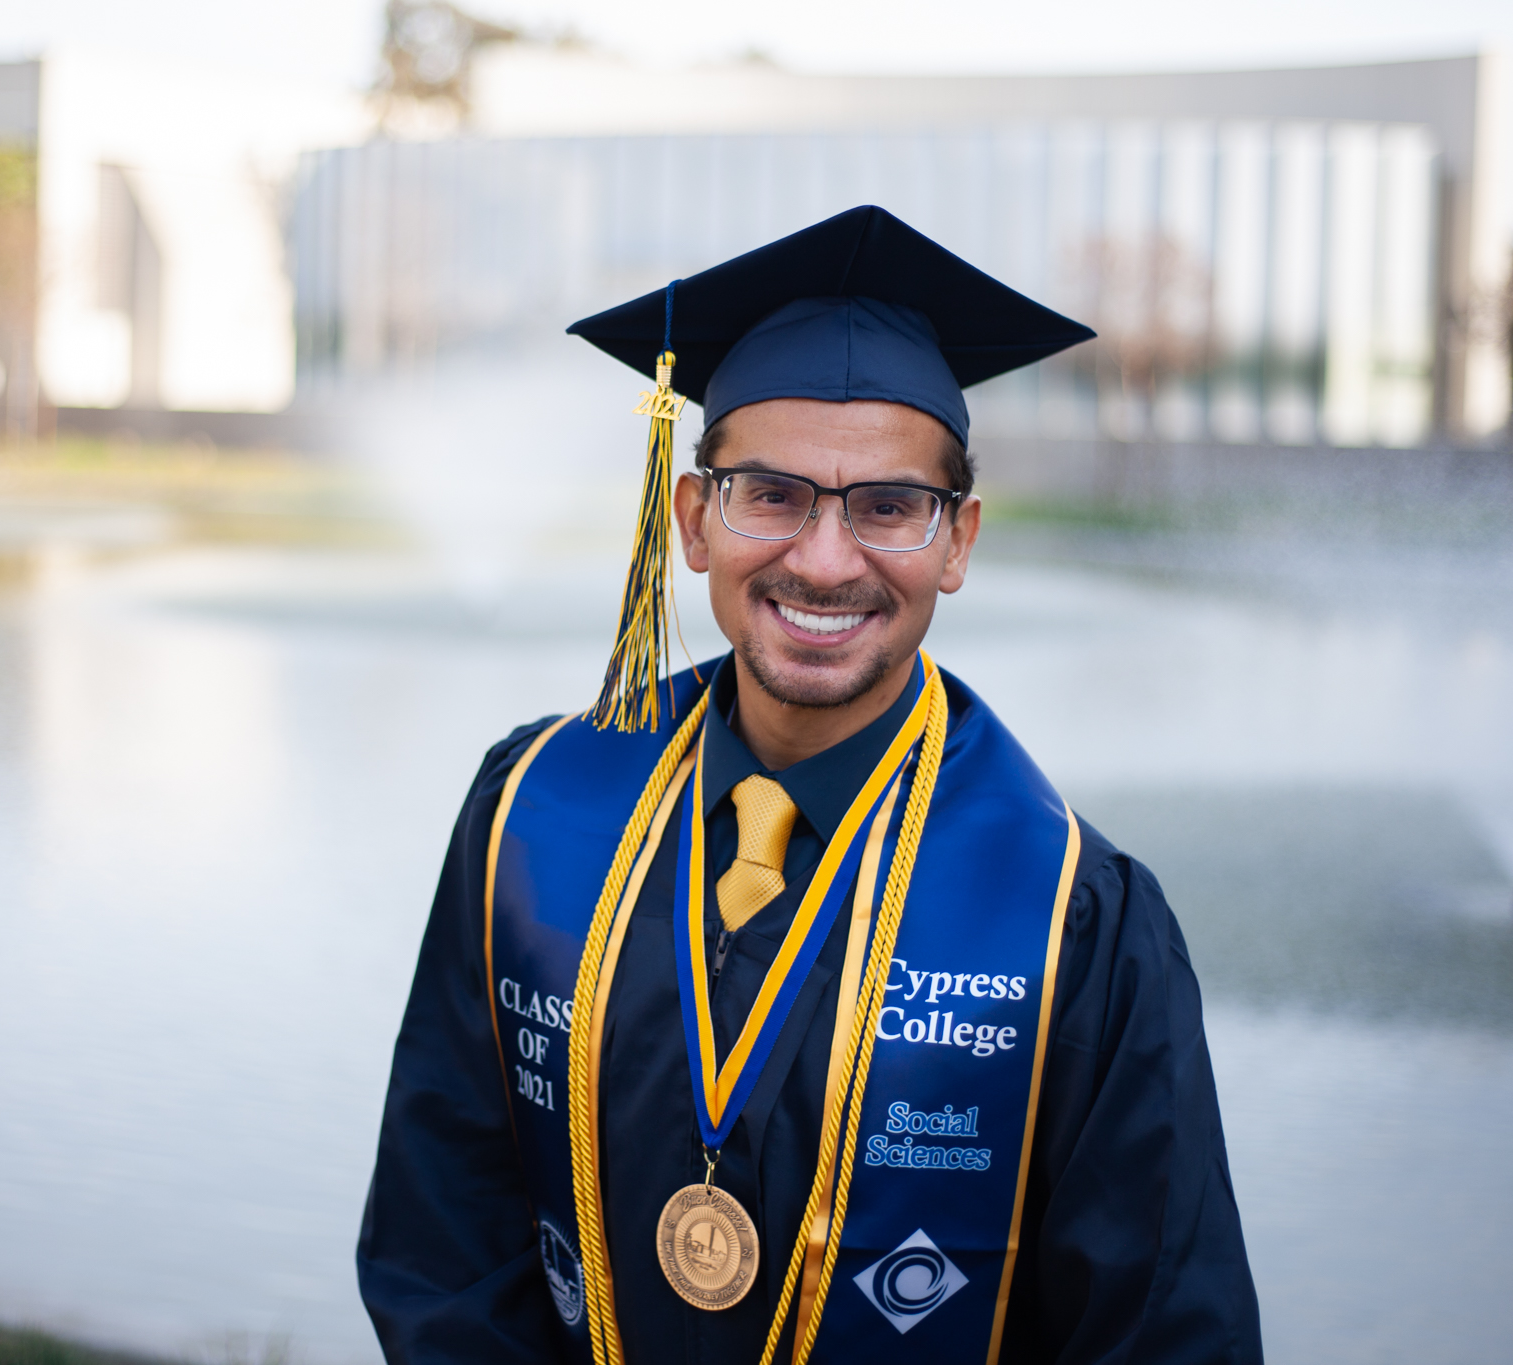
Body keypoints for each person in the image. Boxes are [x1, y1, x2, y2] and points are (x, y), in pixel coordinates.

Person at [357, 206, 1261, 1365]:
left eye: (888, 507)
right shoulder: (529, 817)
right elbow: (443, 1238)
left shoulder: (1070, 925)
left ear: (958, 543)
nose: (824, 560)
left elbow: (1156, 1341)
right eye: (769, 494)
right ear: (692, 519)